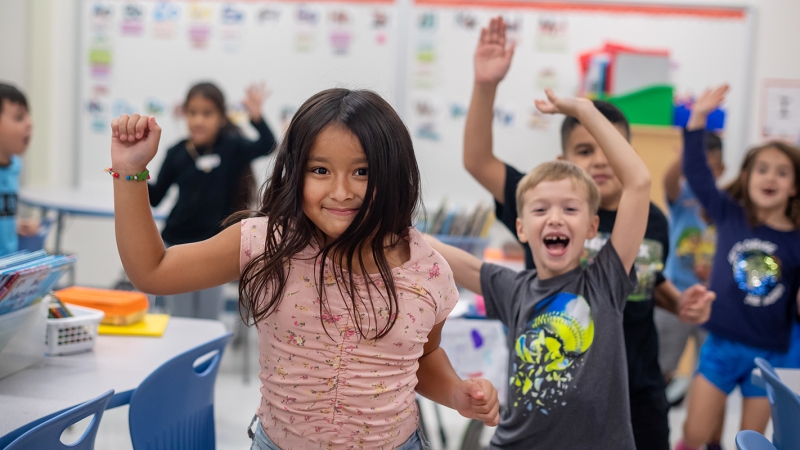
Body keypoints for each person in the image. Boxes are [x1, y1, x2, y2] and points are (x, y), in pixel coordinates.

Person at [108, 88, 500, 449]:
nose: (341, 191)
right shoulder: (265, 243)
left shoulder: (427, 270)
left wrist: (455, 393)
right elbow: (153, 271)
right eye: (320, 171)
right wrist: (129, 171)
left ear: (394, 174)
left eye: (362, 172)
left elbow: (425, 357)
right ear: (296, 173)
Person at [462, 17, 714, 450]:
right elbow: (478, 160)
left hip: (636, 384)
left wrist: (678, 302)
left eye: (609, 147)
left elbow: (646, 281)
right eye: (584, 150)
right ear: (563, 160)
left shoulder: (649, 218)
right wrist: (486, 85)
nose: (600, 160)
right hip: (555, 391)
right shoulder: (546, 204)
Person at [428, 88, 651, 448]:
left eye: (570, 209)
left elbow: (639, 183)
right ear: (521, 229)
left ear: (592, 227)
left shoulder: (605, 280)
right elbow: (444, 253)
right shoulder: (514, 288)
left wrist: (585, 110)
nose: (555, 218)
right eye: (541, 209)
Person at [677, 85, 800, 450]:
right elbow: (697, 173)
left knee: (750, 441)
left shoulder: (797, 239)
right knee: (694, 433)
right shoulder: (730, 214)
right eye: (762, 169)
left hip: (771, 355)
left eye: (782, 172)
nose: (770, 178)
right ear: (746, 176)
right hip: (721, 346)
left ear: (794, 187)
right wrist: (697, 118)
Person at [148, 82, 276, 319]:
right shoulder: (176, 153)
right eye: (192, 112)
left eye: (207, 113)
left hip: (216, 247)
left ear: (221, 116)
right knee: (180, 319)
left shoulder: (231, 148)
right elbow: (155, 198)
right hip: (178, 246)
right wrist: (134, 170)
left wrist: (256, 117)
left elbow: (268, 145)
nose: (198, 120)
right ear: (184, 113)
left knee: (207, 319)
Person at [659, 132, 726, 449]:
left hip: (712, 304)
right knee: (662, 367)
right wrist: (685, 156)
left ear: (722, 169)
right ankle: (654, 418)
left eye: (710, 168)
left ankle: (714, 440)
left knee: (713, 377)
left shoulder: (725, 205)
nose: (703, 173)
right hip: (674, 297)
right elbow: (668, 181)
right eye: (697, 166)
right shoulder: (683, 194)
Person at [0, 82, 38, 256]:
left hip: (8, 270)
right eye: (19, 117)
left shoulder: (15, 166)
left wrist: (15, 225)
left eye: (28, 116)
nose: (29, 123)